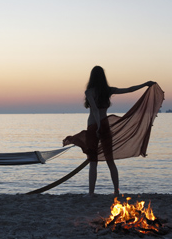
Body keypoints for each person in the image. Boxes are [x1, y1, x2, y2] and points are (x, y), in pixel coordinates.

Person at [63, 66, 155, 197]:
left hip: (94, 127)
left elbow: (94, 110)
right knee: (109, 160)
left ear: (92, 77)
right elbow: (129, 89)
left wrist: (98, 126)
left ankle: (91, 193)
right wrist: (145, 84)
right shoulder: (108, 91)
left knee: (93, 161)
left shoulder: (89, 92)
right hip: (104, 126)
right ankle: (116, 191)